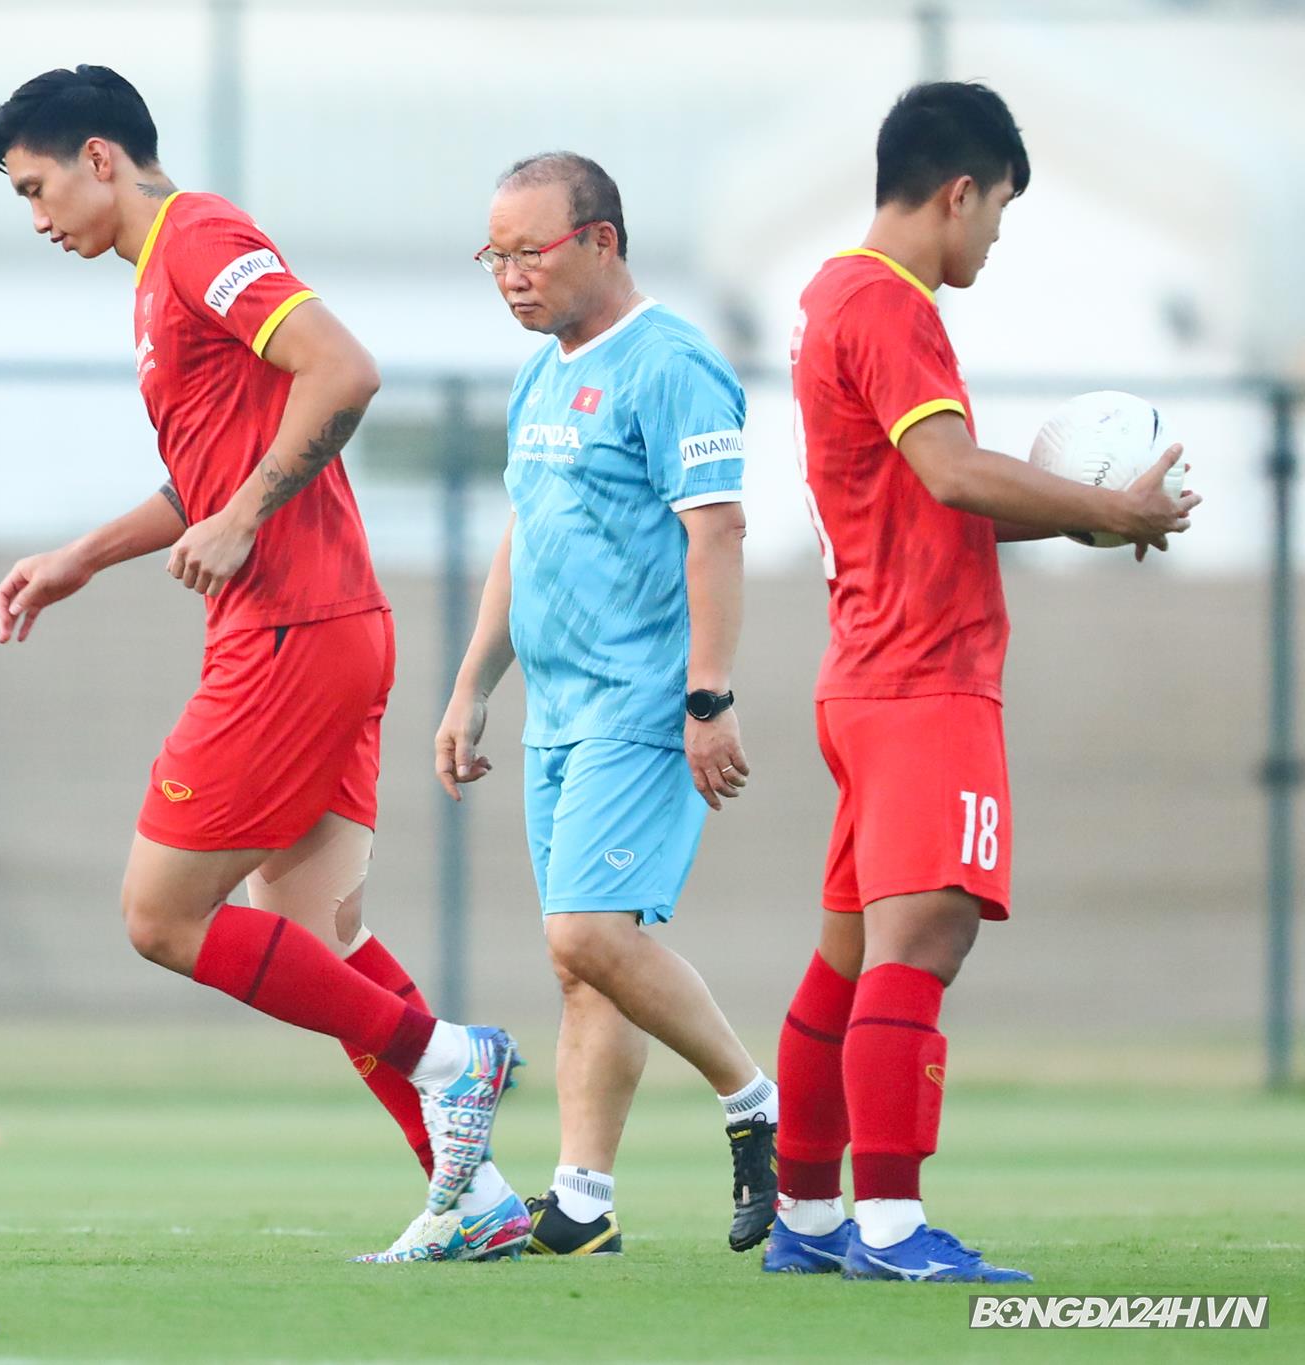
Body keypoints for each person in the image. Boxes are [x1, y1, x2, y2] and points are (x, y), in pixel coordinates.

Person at [0, 65, 525, 1263]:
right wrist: (84, 555)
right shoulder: (156, 278)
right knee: (317, 939)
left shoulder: (198, 236)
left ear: (100, 158)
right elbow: (204, 482)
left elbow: (343, 368)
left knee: (159, 917)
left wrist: (244, 520)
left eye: (35, 187)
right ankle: (473, 1196)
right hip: (329, 625)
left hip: (291, 631)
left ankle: (451, 1059)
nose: (35, 217)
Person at [765, 81, 1197, 1283]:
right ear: (957, 191)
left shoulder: (826, 296)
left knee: (846, 958)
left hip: (862, 674)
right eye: (997, 210)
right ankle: (891, 1231)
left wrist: (1081, 524)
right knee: (926, 940)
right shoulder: (888, 305)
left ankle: (804, 1221)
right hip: (922, 678)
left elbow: (923, 497)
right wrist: (1107, 505)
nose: (995, 237)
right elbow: (952, 475)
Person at [438, 152, 779, 1259]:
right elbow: (523, 538)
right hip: (556, 707)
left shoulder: (672, 363)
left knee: (584, 927)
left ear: (600, 241)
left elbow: (716, 530)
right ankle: (580, 1201)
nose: (507, 276)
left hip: (643, 700)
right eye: (492, 256)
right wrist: (469, 687)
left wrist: (707, 694)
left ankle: (749, 1101)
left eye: (527, 252)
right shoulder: (543, 374)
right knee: (584, 955)